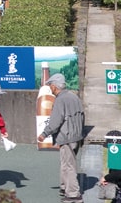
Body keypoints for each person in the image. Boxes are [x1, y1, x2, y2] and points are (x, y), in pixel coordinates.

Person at [37, 73, 85, 203]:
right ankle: (65, 187)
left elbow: (55, 121)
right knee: (66, 163)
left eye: (50, 86)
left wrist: (44, 134)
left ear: (54, 86)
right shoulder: (74, 97)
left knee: (68, 165)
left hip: (66, 137)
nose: (50, 89)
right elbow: (82, 117)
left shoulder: (60, 100)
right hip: (76, 136)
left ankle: (73, 194)